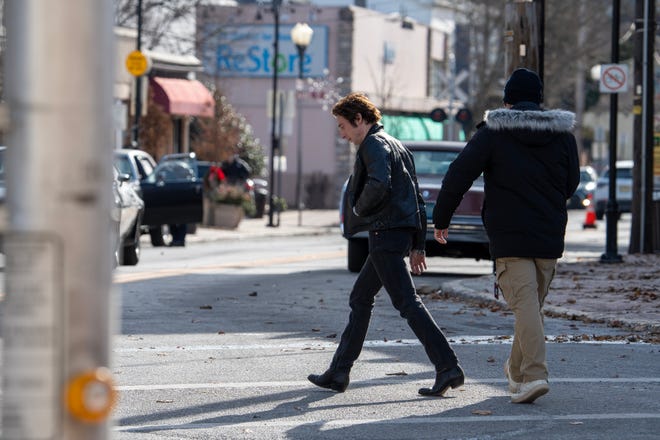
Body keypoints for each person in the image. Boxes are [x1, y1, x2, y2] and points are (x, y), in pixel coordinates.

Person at [432, 68, 579, 404]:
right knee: (530, 307)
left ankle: (528, 373)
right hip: (548, 234)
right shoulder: (564, 137)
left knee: (528, 308)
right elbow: (571, 184)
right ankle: (525, 374)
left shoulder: (493, 133)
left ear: (508, 100)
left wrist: (441, 219)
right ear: (539, 100)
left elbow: (458, 174)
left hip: (509, 235)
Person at [307, 92, 464, 397]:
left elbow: (380, 184)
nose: (341, 134)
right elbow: (417, 197)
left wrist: (359, 209)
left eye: (342, 126)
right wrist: (419, 244)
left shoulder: (373, 145)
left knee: (407, 303)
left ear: (358, 120)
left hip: (386, 233)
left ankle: (448, 366)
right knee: (361, 298)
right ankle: (339, 372)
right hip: (397, 233)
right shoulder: (397, 145)